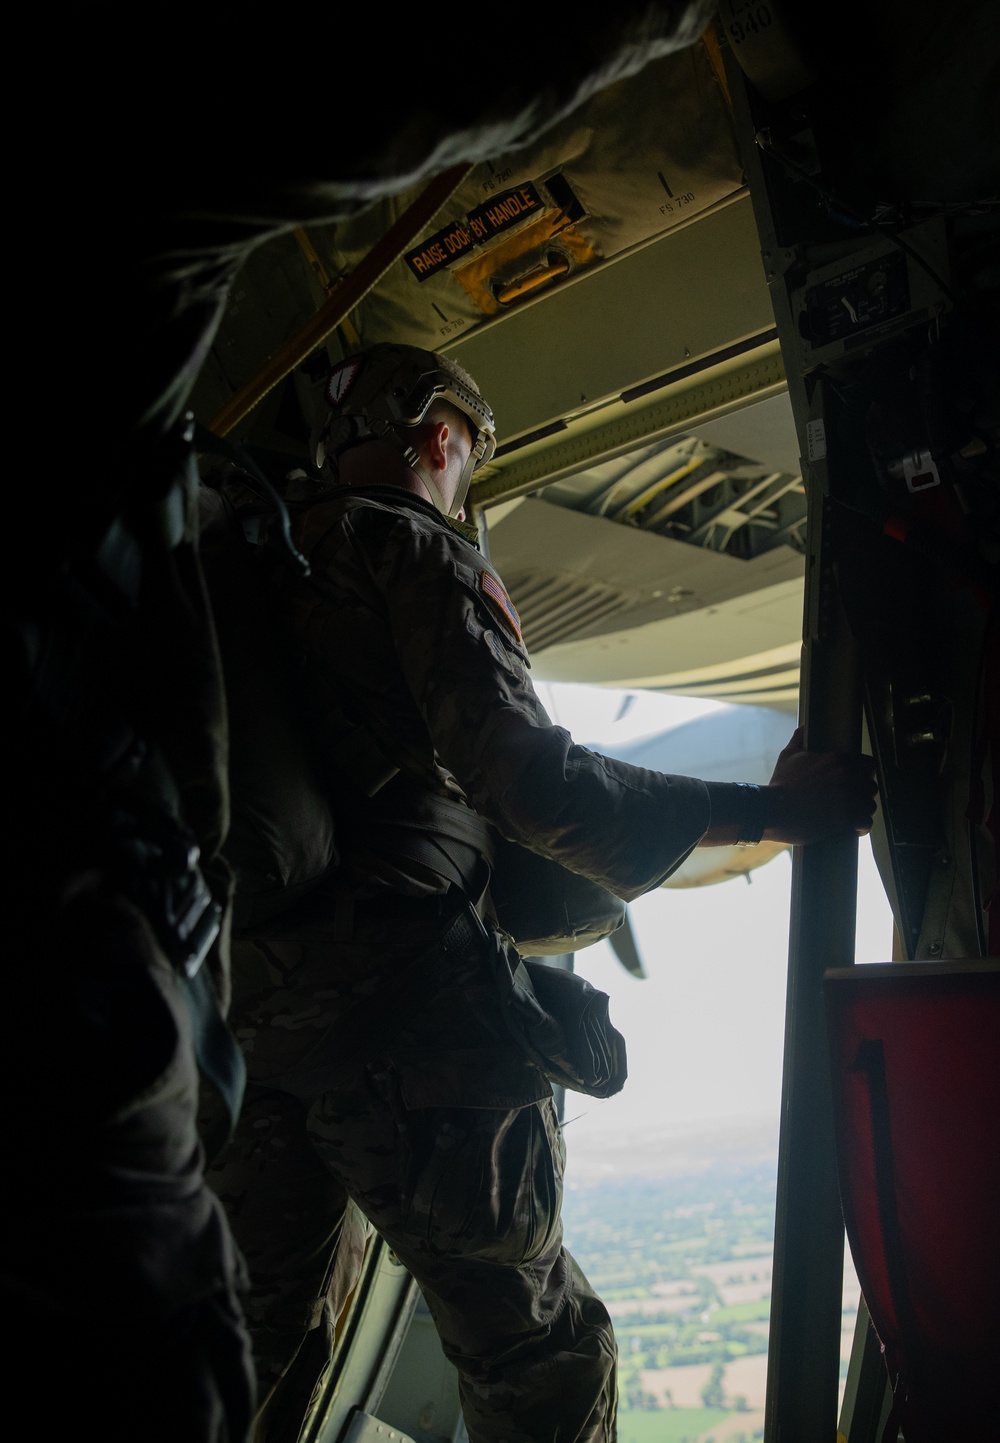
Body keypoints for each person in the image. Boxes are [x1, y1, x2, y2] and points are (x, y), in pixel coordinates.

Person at [206, 344, 879, 1443]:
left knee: (247, 1362)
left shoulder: (257, 569)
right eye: (469, 449)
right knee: (538, 1358)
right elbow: (531, 780)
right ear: (440, 437)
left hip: (251, 1042)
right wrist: (772, 810)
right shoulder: (410, 547)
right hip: (416, 1032)